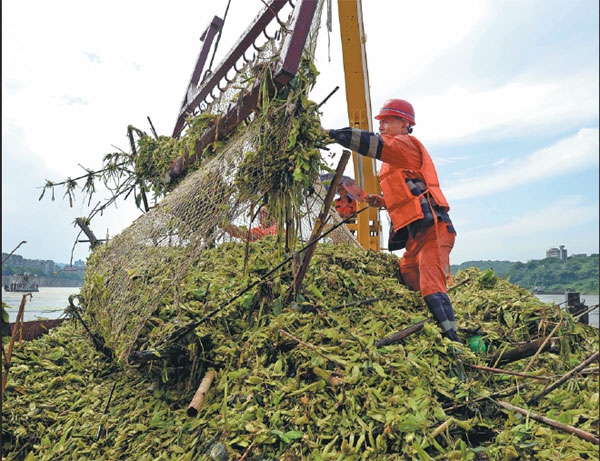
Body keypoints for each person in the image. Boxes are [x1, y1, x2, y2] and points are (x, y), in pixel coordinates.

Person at [323, 98, 460, 342]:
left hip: (434, 231)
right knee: (407, 270)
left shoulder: (406, 145)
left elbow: (372, 144)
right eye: (381, 121)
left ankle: (452, 338)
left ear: (405, 124)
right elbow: (408, 196)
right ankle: (427, 319)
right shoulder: (394, 163)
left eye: (387, 121)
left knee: (431, 284)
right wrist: (383, 201)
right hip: (416, 236)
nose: (382, 125)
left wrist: (333, 134)